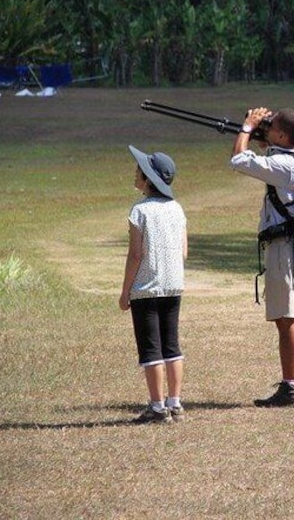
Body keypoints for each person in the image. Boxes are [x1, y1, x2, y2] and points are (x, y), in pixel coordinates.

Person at [230, 106, 294, 408]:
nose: (265, 129)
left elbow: (238, 160)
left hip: (284, 248)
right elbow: (270, 153)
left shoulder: (283, 165)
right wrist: (261, 135)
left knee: (286, 320)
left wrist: (246, 128)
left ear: (282, 135)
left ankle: (289, 387)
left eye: (271, 127)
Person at [120, 146, 188, 424]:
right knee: (171, 344)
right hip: (173, 285)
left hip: (146, 288)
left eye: (140, 170)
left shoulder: (139, 211)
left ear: (150, 180)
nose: (136, 173)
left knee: (150, 348)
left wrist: (125, 291)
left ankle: (157, 408)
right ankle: (175, 402)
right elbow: (184, 252)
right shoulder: (177, 208)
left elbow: (136, 255)